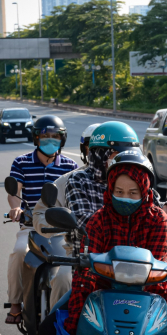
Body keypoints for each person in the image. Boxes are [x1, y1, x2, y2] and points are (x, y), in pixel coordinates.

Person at [65, 151, 167, 335]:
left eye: (133, 193)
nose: (126, 197)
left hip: (149, 296)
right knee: (49, 331)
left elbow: (158, 267)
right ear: (110, 190)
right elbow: (85, 272)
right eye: (119, 192)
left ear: (145, 191)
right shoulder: (99, 220)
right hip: (97, 294)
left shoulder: (157, 220)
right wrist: (77, 311)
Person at [6, 115, 78, 324]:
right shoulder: (21, 162)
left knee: (71, 265)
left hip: (61, 230)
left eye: (55, 136)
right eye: (45, 136)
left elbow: (74, 196)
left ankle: (68, 312)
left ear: (62, 139)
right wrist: (16, 208)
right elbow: (14, 191)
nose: (50, 140)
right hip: (30, 227)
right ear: (36, 138)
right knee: (19, 252)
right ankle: (15, 304)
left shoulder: (70, 165)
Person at [32, 123, 99, 309]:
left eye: (113, 150)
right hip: (80, 255)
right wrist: (60, 224)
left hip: (127, 261)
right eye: (96, 149)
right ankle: (55, 333)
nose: (106, 156)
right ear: (85, 150)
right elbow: (40, 212)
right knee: (63, 281)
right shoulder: (71, 180)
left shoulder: (136, 182)